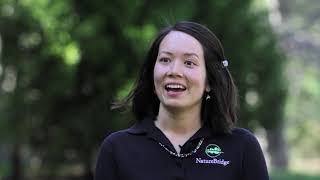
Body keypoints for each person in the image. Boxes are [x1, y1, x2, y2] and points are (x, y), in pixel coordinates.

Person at [95, 21, 269, 180]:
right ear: (152, 74)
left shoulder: (242, 147)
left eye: (189, 63)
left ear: (209, 81)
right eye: (165, 60)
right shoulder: (117, 149)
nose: (174, 71)